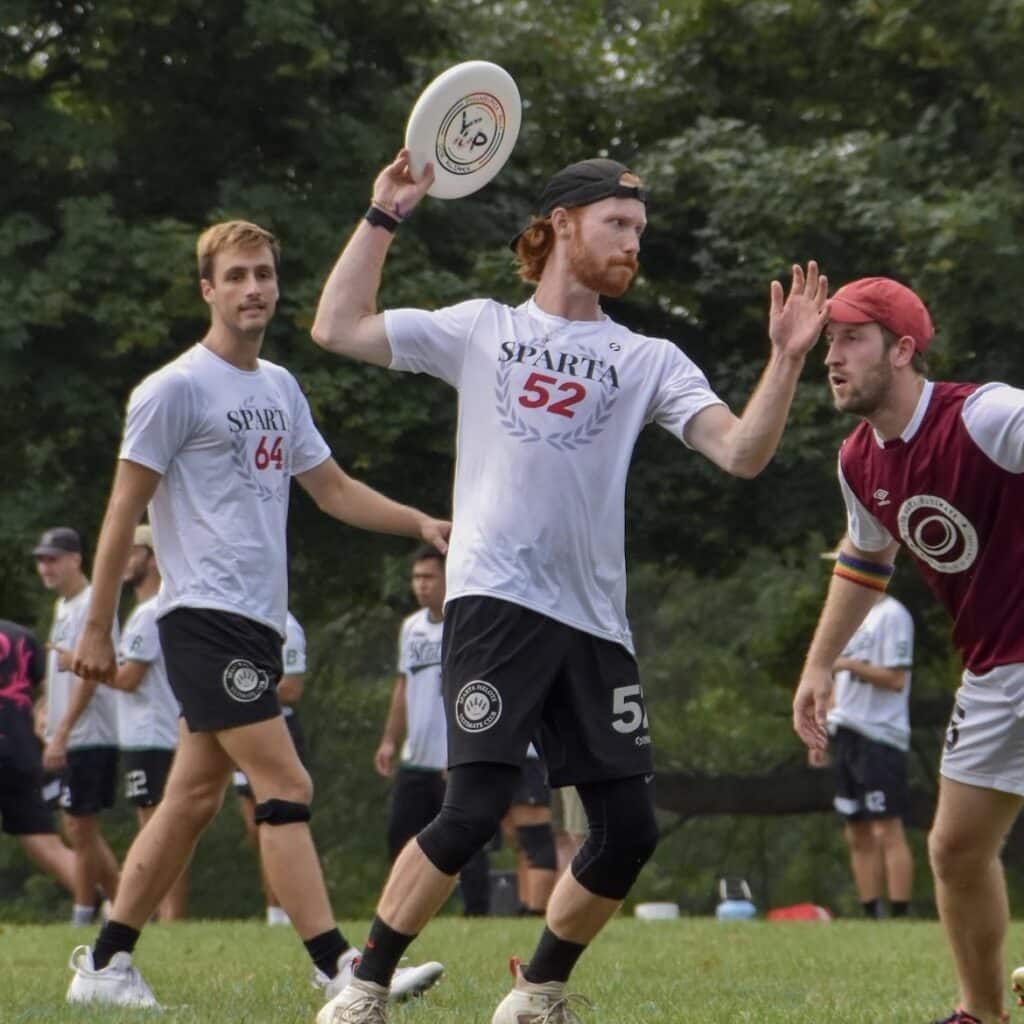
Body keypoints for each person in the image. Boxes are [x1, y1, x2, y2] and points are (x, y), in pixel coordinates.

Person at [312, 151, 828, 1023]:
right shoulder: (479, 328)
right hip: (496, 604)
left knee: (629, 831)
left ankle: (537, 992)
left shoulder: (649, 358)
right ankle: (363, 985)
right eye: (618, 226)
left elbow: (742, 454)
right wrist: (384, 215)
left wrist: (784, 360)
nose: (632, 244)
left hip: (594, 624)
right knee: (472, 808)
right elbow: (336, 326)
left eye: (639, 232)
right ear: (560, 225)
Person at [66, 220, 448, 1010]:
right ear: (207, 289)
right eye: (236, 276)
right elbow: (119, 512)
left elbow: (333, 489)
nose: (253, 290)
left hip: (257, 626)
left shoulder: (279, 387)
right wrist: (98, 624)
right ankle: (340, 965)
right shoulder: (172, 389)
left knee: (192, 799)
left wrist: (419, 522)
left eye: (264, 275)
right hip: (201, 618)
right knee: (285, 779)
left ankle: (104, 965)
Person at [793, 276, 1024, 1024]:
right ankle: (982, 1014)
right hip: (994, 666)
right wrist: (818, 664)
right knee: (955, 848)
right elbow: (865, 560)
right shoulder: (860, 460)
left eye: (851, 338)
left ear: (902, 349)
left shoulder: (987, 416)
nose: (832, 356)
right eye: (829, 341)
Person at [374, 544, 490, 917]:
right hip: (416, 758)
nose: (421, 586)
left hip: (451, 758)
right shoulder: (411, 628)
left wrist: (464, 748)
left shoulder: (466, 624)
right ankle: (402, 911)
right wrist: (390, 739)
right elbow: (403, 686)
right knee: (400, 837)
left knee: (464, 839)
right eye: (416, 578)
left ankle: (477, 913)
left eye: (429, 577)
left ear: (447, 578)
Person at [819, 547, 915, 919]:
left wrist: (847, 663)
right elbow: (829, 678)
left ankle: (900, 914)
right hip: (845, 731)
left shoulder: (892, 616)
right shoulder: (845, 618)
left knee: (885, 828)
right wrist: (823, 725)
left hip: (880, 734)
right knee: (855, 829)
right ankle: (870, 914)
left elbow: (895, 678)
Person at [35, 527, 121, 925]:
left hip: (90, 732)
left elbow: (89, 674)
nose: (44, 567)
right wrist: (45, 712)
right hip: (70, 733)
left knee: (81, 825)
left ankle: (84, 912)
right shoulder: (63, 608)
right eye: (41, 560)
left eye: (52, 559)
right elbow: (61, 670)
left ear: (76, 559)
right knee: (77, 825)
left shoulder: (91, 605)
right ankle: (125, 902)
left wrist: (65, 730)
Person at [102, 524, 186, 921]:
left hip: (154, 735)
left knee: (159, 830)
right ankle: (157, 914)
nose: (125, 560)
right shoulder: (149, 610)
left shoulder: (150, 613)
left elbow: (128, 679)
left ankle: (170, 917)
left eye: (133, 552)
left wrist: (81, 666)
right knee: (154, 828)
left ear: (152, 559)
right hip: (149, 735)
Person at [234, 608, 311, 926]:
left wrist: (241, 690)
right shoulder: (237, 621)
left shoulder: (287, 626)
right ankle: (274, 911)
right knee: (255, 828)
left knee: (278, 823)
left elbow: (291, 689)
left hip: (277, 729)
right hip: (240, 728)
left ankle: (290, 912)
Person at [0, 617, 77, 898]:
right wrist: (49, 727)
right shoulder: (21, 635)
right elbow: (52, 692)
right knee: (45, 843)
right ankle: (111, 900)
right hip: (20, 752)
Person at [501, 747, 557, 915]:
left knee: (535, 840)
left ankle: (536, 911)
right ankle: (525, 907)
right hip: (496, 757)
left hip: (527, 756)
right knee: (519, 843)